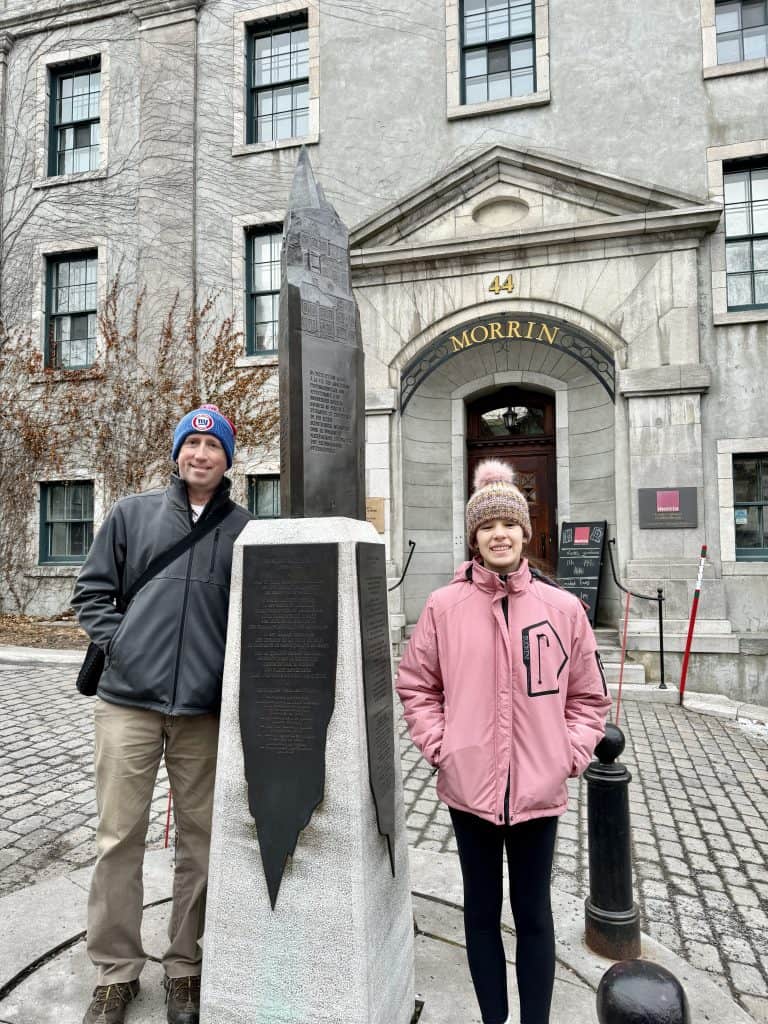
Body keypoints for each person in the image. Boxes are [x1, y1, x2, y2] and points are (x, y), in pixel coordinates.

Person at [396, 459, 611, 1024]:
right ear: (474, 537)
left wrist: (568, 753)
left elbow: (588, 699)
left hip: (537, 792)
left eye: (509, 525)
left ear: (525, 532)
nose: (499, 535)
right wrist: (443, 746)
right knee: (481, 912)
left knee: (534, 913)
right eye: (487, 527)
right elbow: (418, 685)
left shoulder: (563, 610)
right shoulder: (445, 607)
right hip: (470, 790)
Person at [71, 405, 251, 1024]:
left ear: (229, 458)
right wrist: (123, 647)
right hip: (128, 706)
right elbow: (92, 592)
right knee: (119, 838)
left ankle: (185, 966)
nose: (201, 454)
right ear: (177, 452)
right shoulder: (131, 514)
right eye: (191, 443)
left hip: (202, 712)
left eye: (213, 445)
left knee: (199, 845)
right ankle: (117, 972)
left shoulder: (244, 530)